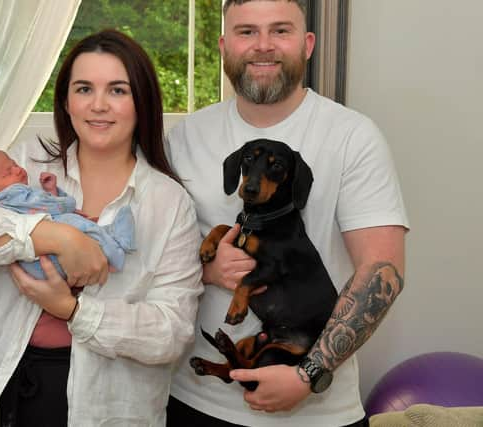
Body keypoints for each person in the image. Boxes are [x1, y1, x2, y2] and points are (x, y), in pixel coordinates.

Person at [0, 29, 203, 427]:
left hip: (106, 406)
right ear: (66, 101)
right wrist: (60, 237)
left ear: (142, 102)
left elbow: (171, 331)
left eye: (117, 90)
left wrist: (73, 310)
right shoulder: (25, 165)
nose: (98, 106)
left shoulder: (168, 202)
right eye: (83, 89)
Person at [164, 1, 409, 426]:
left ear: (308, 44)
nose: (263, 46)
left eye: (280, 31)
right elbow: (155, 253)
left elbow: (382, 269)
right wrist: (204, 270)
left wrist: (309, 372)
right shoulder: (184, 137)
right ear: (224, 46)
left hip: (316, 411)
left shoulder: (353, 136)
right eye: (246, 32)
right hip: (194, 401)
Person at [0, 149, 136, 278]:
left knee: (77, 224)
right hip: (47, 260)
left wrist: (51, 191)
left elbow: (42, 208)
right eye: (7, 173)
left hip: (40, 266)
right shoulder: (10, 196)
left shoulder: (12, 199)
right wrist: (67, 203)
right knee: (76, 224)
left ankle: (108, 239)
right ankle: (114, 253)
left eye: (14, 164)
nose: (18, 170)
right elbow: (51, 208)